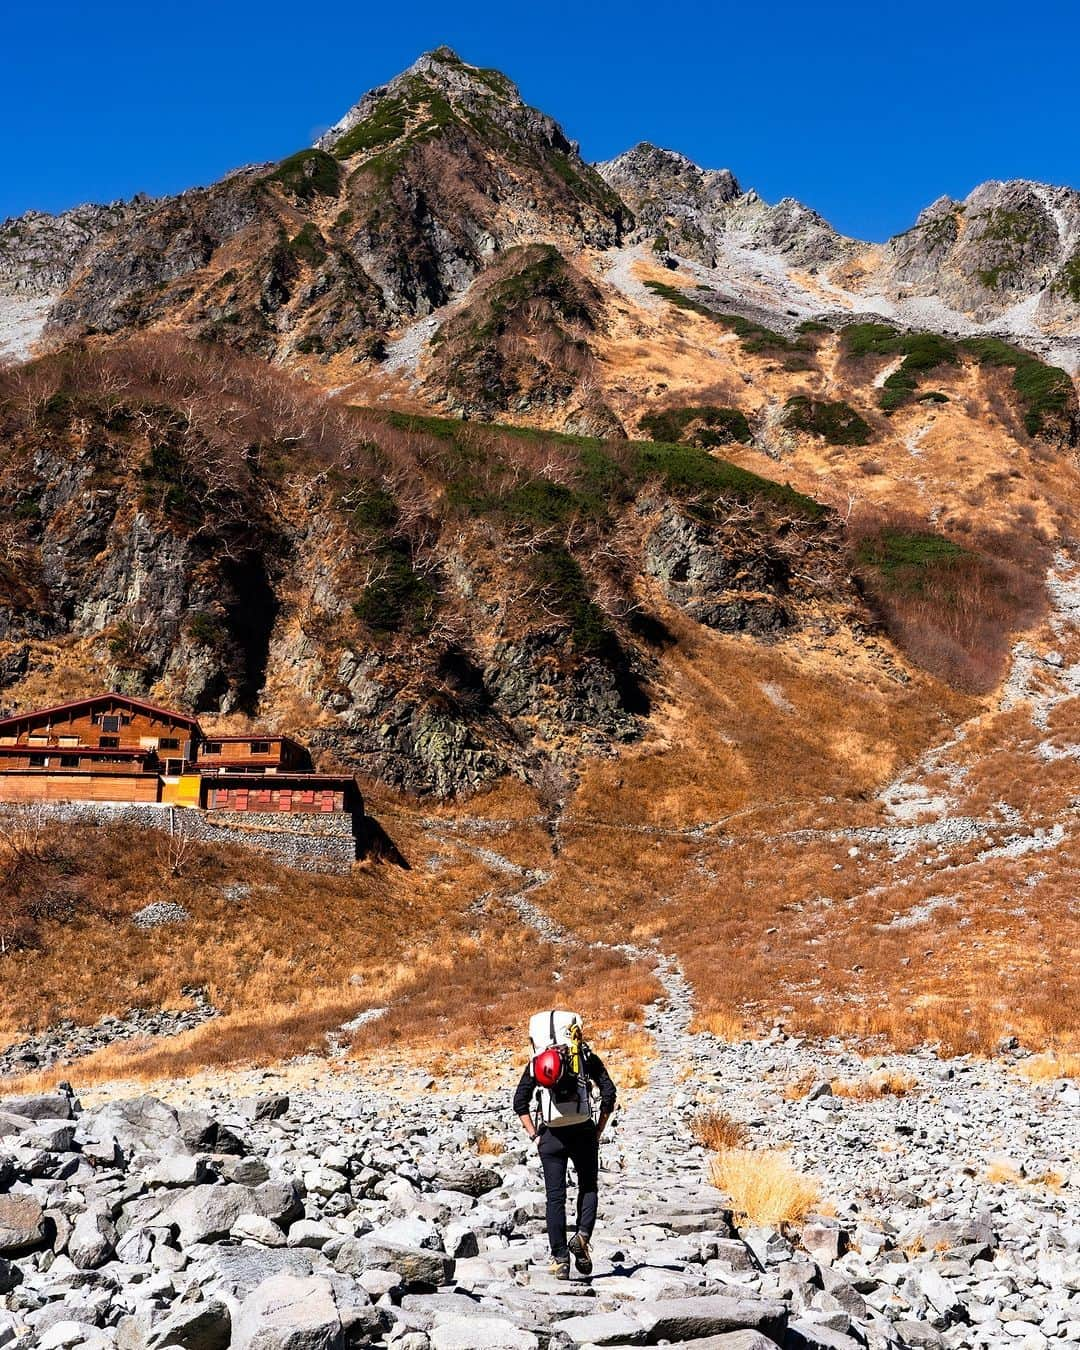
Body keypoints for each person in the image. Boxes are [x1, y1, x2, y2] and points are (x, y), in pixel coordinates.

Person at [513, 1040, 617, 1279]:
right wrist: (598, 1130)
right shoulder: (583, 1057)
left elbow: (519, 1103)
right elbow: (609, 1094)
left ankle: (560, 1260)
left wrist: (534, 1136)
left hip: (550, 1136)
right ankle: (582, 1236)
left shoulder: (537, 1062)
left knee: (555, 1198)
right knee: (588, 1186)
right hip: (584, 1132)